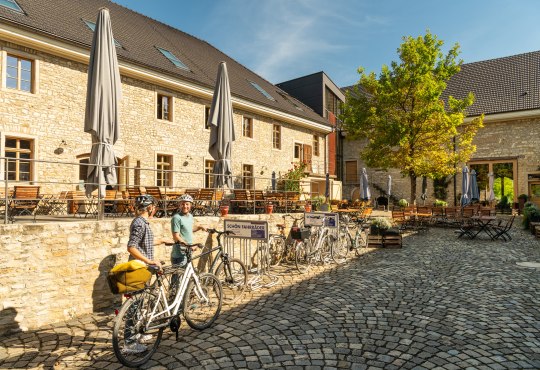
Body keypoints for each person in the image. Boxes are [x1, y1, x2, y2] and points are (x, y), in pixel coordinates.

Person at [127, 194, 166, 268]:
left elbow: (143, 242)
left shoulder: (140, 221)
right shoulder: (140, 224)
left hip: (142, 266)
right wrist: (149, 261)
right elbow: (131, 247)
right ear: (150, 208)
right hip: (139, 267)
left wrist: (161, 241)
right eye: (154, 207)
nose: (155, 209)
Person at [170, 194, 207, 267]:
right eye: (182, 204)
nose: (185, 206)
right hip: (179, 254)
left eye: (187, 204)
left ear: (191, 205)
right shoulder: (176, 218)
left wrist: (199, 227)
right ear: (179, 205)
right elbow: (176, 236)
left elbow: (189, 229)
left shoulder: (190, 216)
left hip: (187, 252)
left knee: (187, 276)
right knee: (178, 277)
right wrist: (189, 246)